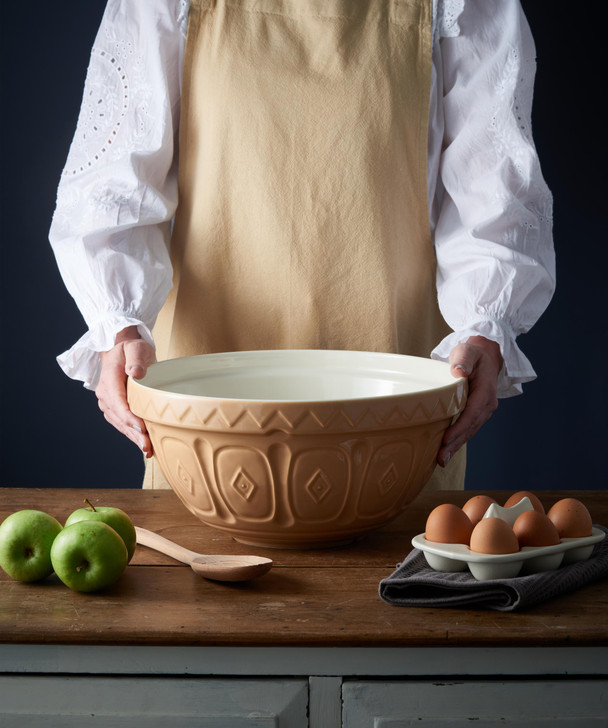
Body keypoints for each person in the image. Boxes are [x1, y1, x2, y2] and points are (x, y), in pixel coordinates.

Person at [49, 0, 555, 490]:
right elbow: (114, 191)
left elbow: (496, 188)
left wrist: (487, 330)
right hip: (204, 418)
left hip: (399, 406)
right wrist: (117, 325)